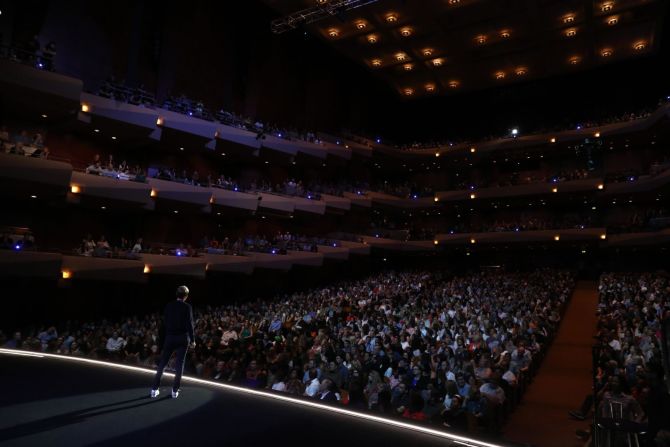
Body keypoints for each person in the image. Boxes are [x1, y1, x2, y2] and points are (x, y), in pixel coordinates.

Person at [151, 285, 195, 398]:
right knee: (179, 364)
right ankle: (175, 391)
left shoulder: (169, 306)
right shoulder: (187, 307)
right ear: (186, 296)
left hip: (170, 337)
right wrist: (193, 340)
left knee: (163, 363)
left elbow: (164, 324)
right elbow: (190, 324)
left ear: (176, 294)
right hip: (182, 338)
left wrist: (163, 340)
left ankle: (154, 389)